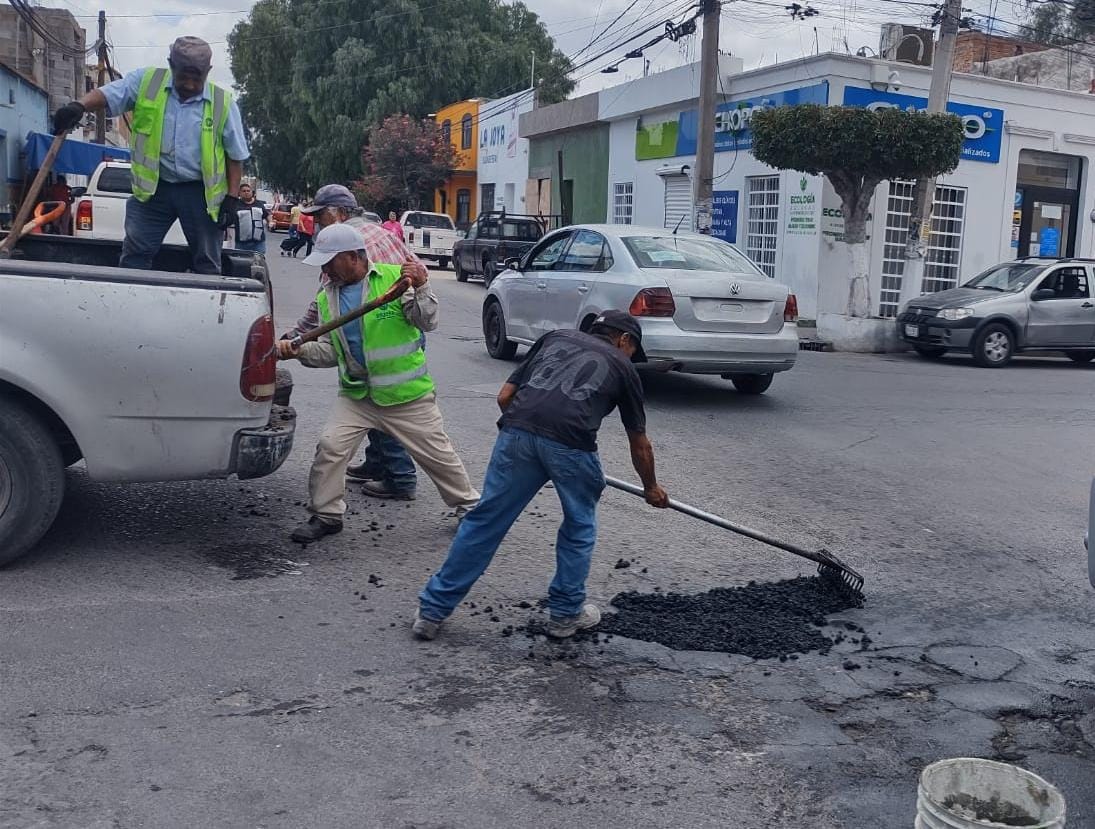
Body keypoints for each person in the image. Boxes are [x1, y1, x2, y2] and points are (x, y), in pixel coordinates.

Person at [414, 311, 669, 641]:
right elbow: (640, 443)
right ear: (624, 340)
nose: (631, 356)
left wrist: (528, 439)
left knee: (485, 520)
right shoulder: (623, 366)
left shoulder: (555, 337)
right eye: (633, 350)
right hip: (571, 444)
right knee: (579, 527)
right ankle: (564, 615)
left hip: (516, 433)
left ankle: (431, 611)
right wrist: (651, 487)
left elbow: (505, 396)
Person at [277, 223, 480, 543]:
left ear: (353, 256)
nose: (326, 269)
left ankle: (470, 509)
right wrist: (297, 352)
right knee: (330, 447)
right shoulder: (327, 296)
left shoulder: (393, 278)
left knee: (439, 457)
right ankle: (327, 515)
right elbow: (331, 352)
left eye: (330, 261)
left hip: (407, 396)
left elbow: (427, 321)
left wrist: (424, 285)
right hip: (358, 395)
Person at [51, 36, 249, 275]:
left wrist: (232, 197)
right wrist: (78, 106)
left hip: (200, 194)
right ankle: (131, 300)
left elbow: (235, 155)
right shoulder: (147, 82)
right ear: (171, 65)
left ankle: (205, 306)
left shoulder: (222, 102)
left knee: (207, 260)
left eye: (196, 78)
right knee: (135, 255)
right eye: (183, 76)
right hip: (154, 190)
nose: (188, 84)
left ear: (207, 71)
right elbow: (109, 94)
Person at [287, 184, 427, 501]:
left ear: (337, 212)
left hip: (379, 334)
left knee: (385, 402)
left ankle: (401, 478)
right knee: (372, 401)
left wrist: (294, 337)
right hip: (401, 326)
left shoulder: (344, 245)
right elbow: (417, 269)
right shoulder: (379, 232)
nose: (317, 224)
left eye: (320, 216)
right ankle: (378, 464)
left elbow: (324, 302)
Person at [233, 183, 268, 254]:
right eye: (244, 191)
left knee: (258, 262)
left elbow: (266, 215)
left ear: (252, 192)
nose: (246, 192)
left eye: (248, 191)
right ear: (239, 193)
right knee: (241, 262)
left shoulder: (259, 204)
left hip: (258, 242)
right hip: (241, 243)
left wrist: (270, 222)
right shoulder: (235, 205)